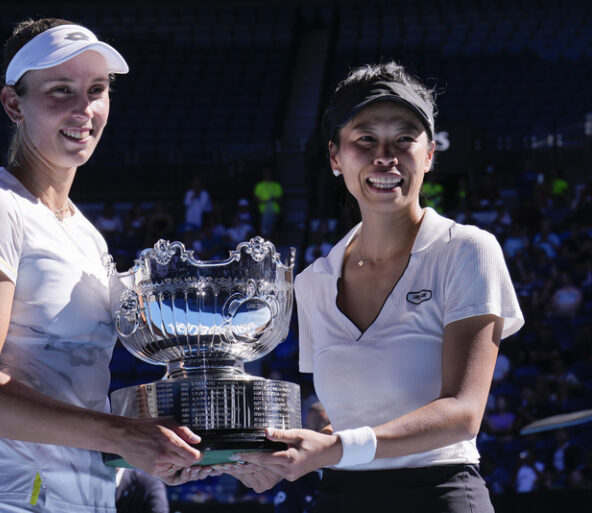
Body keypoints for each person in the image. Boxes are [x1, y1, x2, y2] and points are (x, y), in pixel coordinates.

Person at [0, 18, 207, 513]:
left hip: (84, 497)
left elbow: (76, 387)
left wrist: (168, 439)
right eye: (61, 90)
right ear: (14, 104)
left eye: (97, 90)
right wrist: (121, 434)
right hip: (2, 500)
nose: (85, 109)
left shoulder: (87, 236)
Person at [221, 62, 524, 512]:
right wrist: (283, 458)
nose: (386, 156)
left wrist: (334, 448)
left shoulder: (468, 250)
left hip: (440, 494)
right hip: (339, 496)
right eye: (365, 139)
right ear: (335, 156)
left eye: (404, 138)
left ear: (429, 155)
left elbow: (463, 414)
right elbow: (345, 418)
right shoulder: (312, 282)